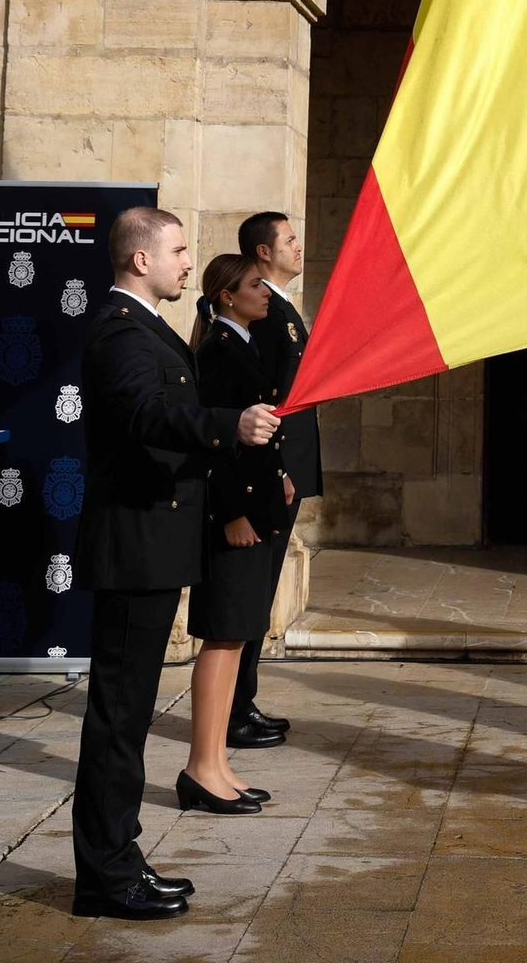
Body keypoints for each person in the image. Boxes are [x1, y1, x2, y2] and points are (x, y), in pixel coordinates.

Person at [71, 207, 280, 923]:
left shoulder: (146, 326)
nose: (190, 262)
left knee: (126, 718)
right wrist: (231, 424)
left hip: (155, 546)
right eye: (180, 250)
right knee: (119, 720)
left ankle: (117, 862)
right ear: (140, 260)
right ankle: (105, 876)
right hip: (133, 545)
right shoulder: (119, 331)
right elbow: (145, 415)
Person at [180, 256, 288, 816]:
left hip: (257, 507)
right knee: (223, 639)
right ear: (226, 296)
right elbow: (213, 443)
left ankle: (217, 763)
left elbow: (261, 434)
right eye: (254, 285)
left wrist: (282, 475)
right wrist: (230, 514)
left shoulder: (242, 341)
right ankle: (202, 766)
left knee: (238, 636)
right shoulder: (219, 351)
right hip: (237, 518)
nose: (265, 293)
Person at [227, 210, 322, 749]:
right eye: (288, 239)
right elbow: (266, 398)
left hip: (286, 470)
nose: (298, 246)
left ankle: (245, 700)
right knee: (252, 591)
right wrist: (279, 468)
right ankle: (235, 710)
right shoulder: (263, 310)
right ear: (263, 251)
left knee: (261, 594)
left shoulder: (282, 307)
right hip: (273, 472)